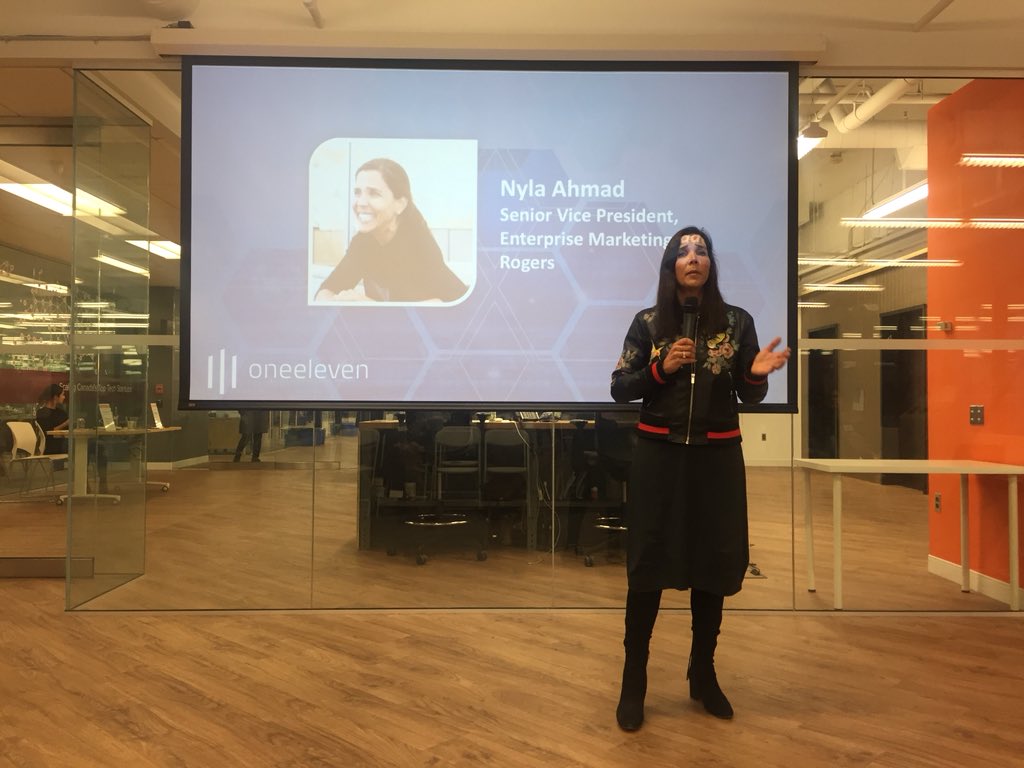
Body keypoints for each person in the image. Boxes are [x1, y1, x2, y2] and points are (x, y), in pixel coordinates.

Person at [609, 226, 790, 731]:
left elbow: (749, 395)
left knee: (712, 564)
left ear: (711, 265)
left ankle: (703, 673)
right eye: (684, 251)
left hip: (716, 459)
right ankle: (633, 681)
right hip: (659, 457)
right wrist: (661, 368)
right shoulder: (648, 323)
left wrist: (756, 373)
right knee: (648, 565)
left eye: (702, 250)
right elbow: (621, 387)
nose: (694, 257)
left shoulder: (737, 322)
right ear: (671, 265)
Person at [314, 157, 468, 303]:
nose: (360, 202)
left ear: (400, 204)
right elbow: (327, 289)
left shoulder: (418, 247)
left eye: (374, 193)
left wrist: (366, 305)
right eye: (357, 192)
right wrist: (336, 302)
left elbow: (420, 312)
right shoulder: (363, 242)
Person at [34, 383, 69, 455]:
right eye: (62, 395)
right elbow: (48, 432)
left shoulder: (61, 412)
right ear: (55, 397)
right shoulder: (42, 413)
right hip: (51, 445)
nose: (64, 397)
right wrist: (66, 423)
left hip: (62, 442)